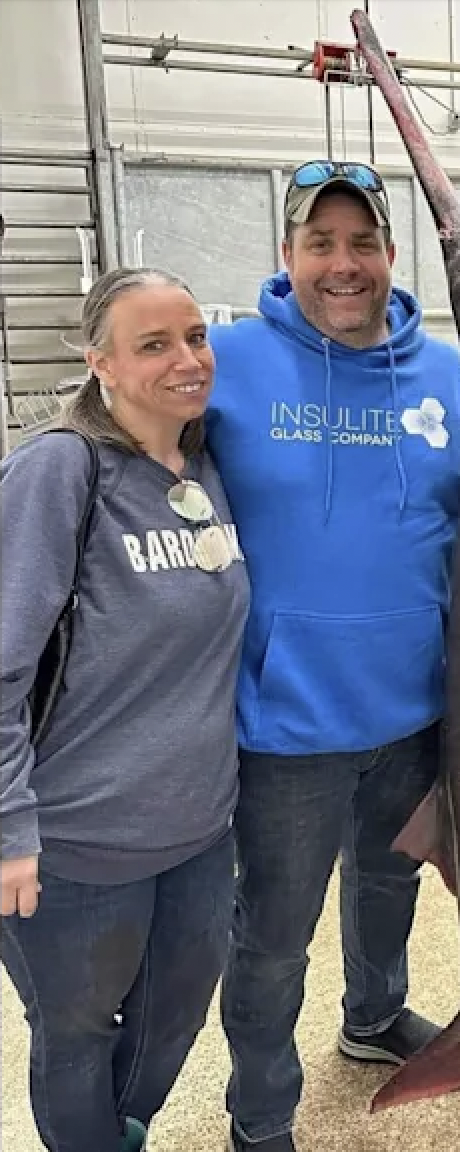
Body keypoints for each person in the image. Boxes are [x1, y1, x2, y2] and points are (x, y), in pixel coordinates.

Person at [204, 160, 460, 1152]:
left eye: (362, 243)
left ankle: (374, 1016)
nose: (343, 264)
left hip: (414, 708)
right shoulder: (226, 361)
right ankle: (260, 1113)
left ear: (392, 255)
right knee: (274, 936)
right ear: (288, 253)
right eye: (321, 243)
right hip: (284, 723)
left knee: (389, 886)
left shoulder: (447, 373)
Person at [0, 267, 250, 1152]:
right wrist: (9, 828)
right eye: (153, 344)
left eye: (196, 337)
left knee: (172, 1016)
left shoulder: (205, 464)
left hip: (198, 832)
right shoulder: (59, 471)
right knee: (76, 1035)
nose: (187, 359)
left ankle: (123, 1132)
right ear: (99, 361)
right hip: (73, 844)